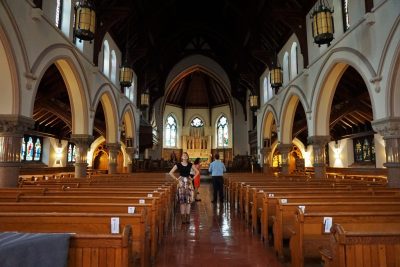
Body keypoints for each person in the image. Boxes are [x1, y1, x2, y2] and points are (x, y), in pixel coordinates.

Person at [169, 152, 199, 224]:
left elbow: (197, 172)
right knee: (182, 201)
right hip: (181, 183)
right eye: (183, 155)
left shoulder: (190, 164)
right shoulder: (178, 164)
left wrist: (192, 178)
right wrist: (177, 179)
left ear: (187, 157)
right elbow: (170, 172)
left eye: (186, 155)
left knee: (188, 201)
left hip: (188, 183)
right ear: (181, 157)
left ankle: (188, 218)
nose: (185, 156)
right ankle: (183, 218)